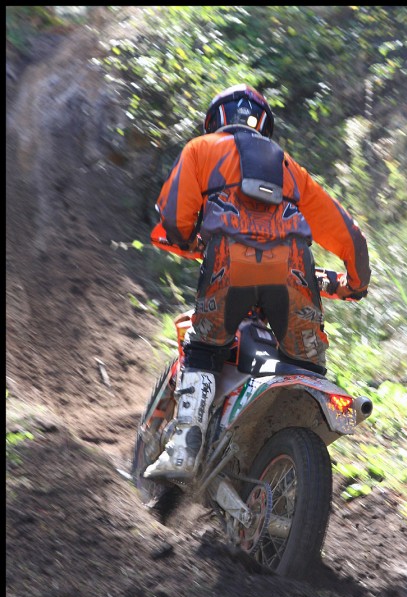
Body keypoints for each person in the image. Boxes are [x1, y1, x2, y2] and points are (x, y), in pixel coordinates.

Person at [144, 83, 371, 480]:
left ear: (215, 120)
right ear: (265, 125)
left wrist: (189, 240)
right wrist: (353, 283)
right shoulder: (289, 170)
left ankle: (184, 448)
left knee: (202, 348)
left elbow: (175, 220)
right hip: (295, 275)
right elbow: (347, 234)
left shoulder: (201, 149)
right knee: (306, 366)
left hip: (228, 268)